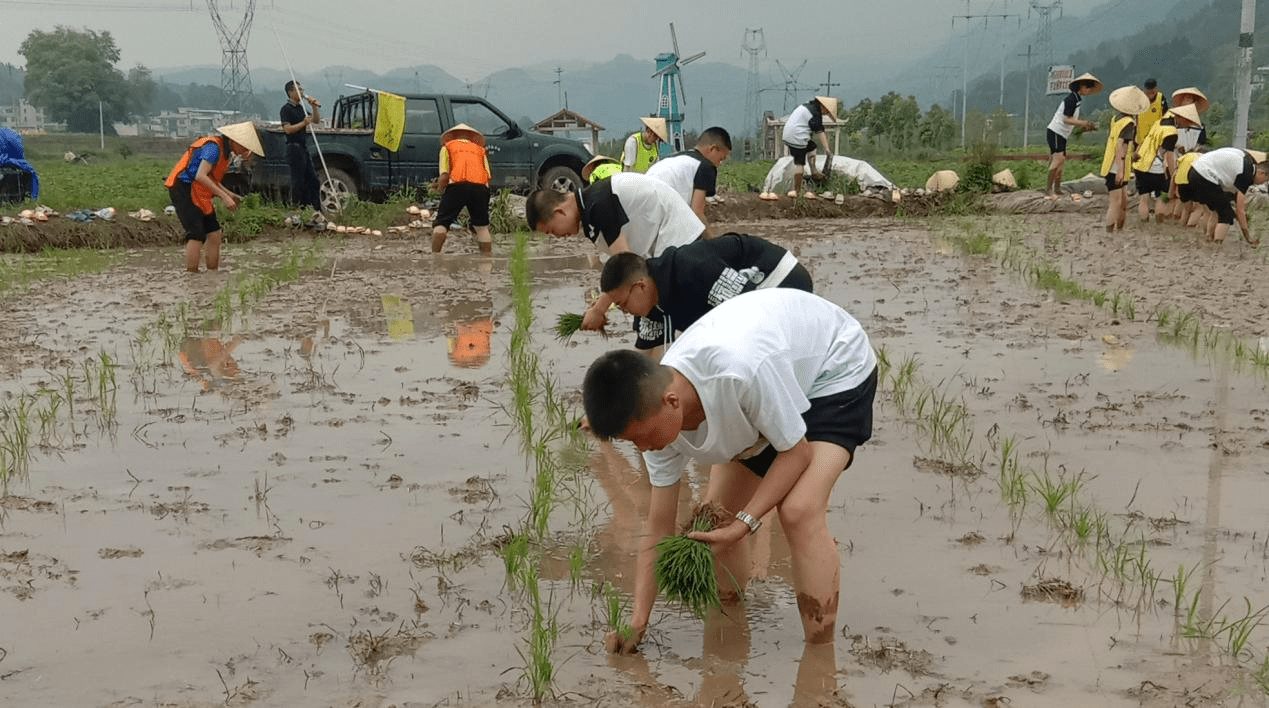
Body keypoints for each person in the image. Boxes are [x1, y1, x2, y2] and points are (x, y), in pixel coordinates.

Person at [582, 288, 878, 653]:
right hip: (771, 385)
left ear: (671, 402)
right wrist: (638, 622)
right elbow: (658, 526)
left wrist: (747, 523)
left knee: (799, 510)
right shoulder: (655, 421)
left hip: (832, 369)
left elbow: (796, 453)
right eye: (633, 443)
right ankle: (728, 636)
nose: (643, 449)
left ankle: (819, 659)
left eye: (643, 438)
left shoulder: (739, 372)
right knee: (714, 521)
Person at [525, 172, 705, 330]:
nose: (556, 236)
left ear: (559, 212)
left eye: (550, 231)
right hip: (666, 242)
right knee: (650, 321)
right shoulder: (590, 205)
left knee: (668, 317)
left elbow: (625, 266)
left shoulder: (598, 203)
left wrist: (599, 309)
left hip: (680, 237)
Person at [599, 233, 812, 351]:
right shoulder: (650, 307)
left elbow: (751, 312)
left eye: (623, 304)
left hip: (778, 278)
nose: (625, 312)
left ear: (640, 286)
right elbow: (647, 359)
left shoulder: (692, 268)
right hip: (750, 298)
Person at [164, 121, 263, 273]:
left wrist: (230, 194)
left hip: (199, 190)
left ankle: (212, 274)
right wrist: (224, 197)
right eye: (243, 146)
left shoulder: (226, 154)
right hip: (184, 187)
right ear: (233, 140)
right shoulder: (213, 148)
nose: (244, 150)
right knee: (196, 234)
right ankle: (192, 276)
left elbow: (212, 179)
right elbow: (200, 175)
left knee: (215, 233)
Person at [645, 127, 733, 221]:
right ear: (713, 149)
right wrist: (710, 235)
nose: (719, 164)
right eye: (721, 159)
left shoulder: (676, 158)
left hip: (642, 202)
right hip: (656, 210)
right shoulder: (705, 167)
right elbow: (697, 213)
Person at [431, 123, 493, 254]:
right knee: (482, 227)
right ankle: (486, 260)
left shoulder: (447, 147)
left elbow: (444, 176)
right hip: (481, 188)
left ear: (451, 136)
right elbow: (487, 176)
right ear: (471, 137)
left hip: (457, 186)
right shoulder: (480, 150)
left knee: (442, 223)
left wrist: (439, 190)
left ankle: (434, 256)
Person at [1188, 147, 1268, 245]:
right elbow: (1240, 211)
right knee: (1226, 215)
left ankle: (1208, 239)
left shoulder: (1246, 162)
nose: (1261, 184)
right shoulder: (1247, 175)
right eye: (1265, 180)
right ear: (1261, 173)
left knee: (1215, 210)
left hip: (1193, 171)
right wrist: (1248, 238)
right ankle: (1216, 247)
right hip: (1205, 176)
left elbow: (1236, 202)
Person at [1045, 73, 1101, 198]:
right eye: (1087, 87)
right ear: (1081, 87)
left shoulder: (1077, 99)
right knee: (1057, 160)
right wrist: (1084, 123)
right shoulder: (1071, 99)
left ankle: (1057, 188)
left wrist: (1084, 126)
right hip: (1056, 131)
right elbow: (1066, 119)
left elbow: (1072, 120)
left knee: (1061, 161)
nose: (1089, 90)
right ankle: (1049, 189)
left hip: (1062, 134)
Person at [1101, 86, 1147, 232]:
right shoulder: (1128, 123)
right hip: (1117, 166)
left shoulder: (1116, 119)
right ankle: (1109, 232)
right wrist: (1120, 169)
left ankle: (1119, 230)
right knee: (1115, 202)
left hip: (1114, 164)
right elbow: (1121, 145)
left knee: (1123, 202)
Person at [279, 80, 323, 222]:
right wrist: (303, 123)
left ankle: (317, 211)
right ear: (291, 92)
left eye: (302, 89)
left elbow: (315, 120)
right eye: (299, 89)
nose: (302, 92)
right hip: (293, 148)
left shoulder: (302, 108)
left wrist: (314, 107)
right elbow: (287, 129)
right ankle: (295, 211)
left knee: (313, 180)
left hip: (303, 147)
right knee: (297, 181)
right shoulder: (286, 109)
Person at [781, 96, 838, 199]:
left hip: (790, 134)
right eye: (827, 111)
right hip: (797, 136)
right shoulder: (815, 113)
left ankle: (814, 171)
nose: (826, 113)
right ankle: (797, 191)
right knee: (800, 163)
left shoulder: (809, 107)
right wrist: (827, 151)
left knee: (812, 147)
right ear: (824, 107)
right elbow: (820, 133)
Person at [1131, 107, 1182, 223]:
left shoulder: (1157, 124)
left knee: (1144, 197)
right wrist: (1174, 174)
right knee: (1161, 197)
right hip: (1157, 168)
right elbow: (1169, 156)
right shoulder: (1171, 132)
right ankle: (1159, 223)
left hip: (1140, 164)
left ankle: (1144, 222)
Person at [1171, 87, 1210, 155]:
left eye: (1192, 100)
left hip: (1192, 156)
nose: (1189, 102)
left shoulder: (1200, 127)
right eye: (1187, 98)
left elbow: (1201, 144)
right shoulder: (1172, 120)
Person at [1135, 78, 1168, 146]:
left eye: (1152, 92)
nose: (1150, 94)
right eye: (1148, 92)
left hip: (1156, 138)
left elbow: (1166, 115)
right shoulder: (1139, 99)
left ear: (1156, 90)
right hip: (1141, 138)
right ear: (1144, 91)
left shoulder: (1161, 98)